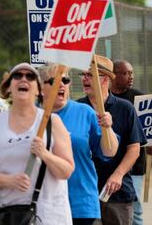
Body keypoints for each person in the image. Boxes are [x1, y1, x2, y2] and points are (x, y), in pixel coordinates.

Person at [0, 62, 74, 225]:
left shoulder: (52, 122)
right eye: (17, 76)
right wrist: (10, 180)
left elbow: (66, 171)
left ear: (38, 90)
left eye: (30, 77)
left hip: (47, 217)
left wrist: (45, 154)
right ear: (8, 87)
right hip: (4, 216)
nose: (24, 79)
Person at [39, 63, 119, 225]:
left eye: (66, 80)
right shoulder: (31, 116)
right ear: (40, 88)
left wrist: (107, 128)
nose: (61, 84)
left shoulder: (85, 112)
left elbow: (110, 152)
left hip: (81, 204)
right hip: (43, 204)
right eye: (53, 81)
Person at [77, 55, 147, 225]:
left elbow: (134, 148)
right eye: (83, 74)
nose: (85, 79)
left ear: (105, 79)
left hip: (117, 193)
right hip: (84, 194)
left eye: (90, 75)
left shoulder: (125, 108)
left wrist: (118, 175)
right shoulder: (77, 108)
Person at [111, 60, 152, 225]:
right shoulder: (104, 99)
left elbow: (151, 128)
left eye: (132, 73)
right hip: (107, 164)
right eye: (126, 73)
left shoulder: (140, 98)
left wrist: (151, 142)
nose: (131, 77)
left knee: (135, 210)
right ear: (113, 74)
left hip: (134, 166)